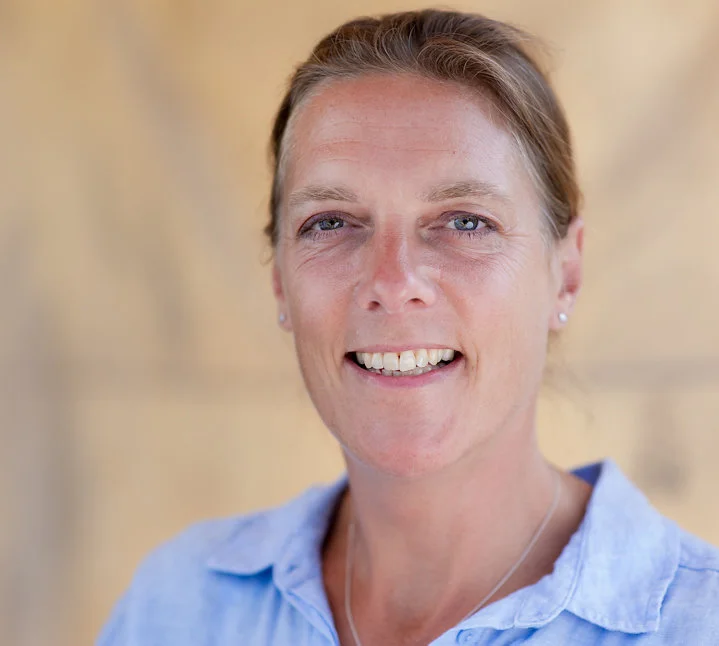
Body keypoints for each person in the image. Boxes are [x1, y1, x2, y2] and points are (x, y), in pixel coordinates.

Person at [98, 9, 719, 645]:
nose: (392, 283)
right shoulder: (178, 607)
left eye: (466, 221)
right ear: (280, 279)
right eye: (331, 222)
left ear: (565, 273)